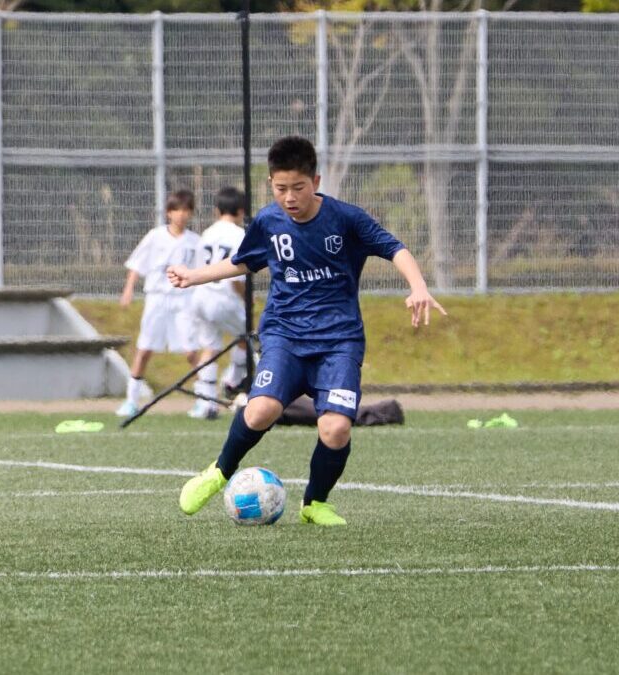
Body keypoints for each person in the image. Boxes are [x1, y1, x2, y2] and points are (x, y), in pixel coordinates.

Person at [166, 136, 445, 526]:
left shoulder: (345, 219)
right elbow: (244, 262)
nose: (289, 197)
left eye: (298, 187)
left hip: (339, 341)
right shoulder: (268, 221)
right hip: (285, 335)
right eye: (281, 188)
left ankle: (314, 503)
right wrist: (194, 276)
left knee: (336, 428)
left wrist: (418, 286)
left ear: (315, 181)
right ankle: (219, 472)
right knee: (261, 409)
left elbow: (394, 248)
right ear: (271, 183)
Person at [116, 189, 201, 418]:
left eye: (185, 210)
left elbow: (202, 272)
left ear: (191, 213)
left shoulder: (195, 242)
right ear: (168, 213)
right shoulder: (155, 236)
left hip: (184, 300)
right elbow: (137, 264)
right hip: (157, 298)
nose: (181, 215)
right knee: (144, 349)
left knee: (191, 350)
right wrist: (128, 289)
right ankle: (131, 400)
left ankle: (204, 399)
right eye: (176, 210)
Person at [189, 186, 251, 421]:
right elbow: (236, 279)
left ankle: (206, 402)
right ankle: (232, 380)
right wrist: (247, 300)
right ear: (242, 210)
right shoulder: (240, 235)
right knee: (248, 336)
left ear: (217, 210)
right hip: (224, 298)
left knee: (210, 347)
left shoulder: (207, 233)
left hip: (201, 297)